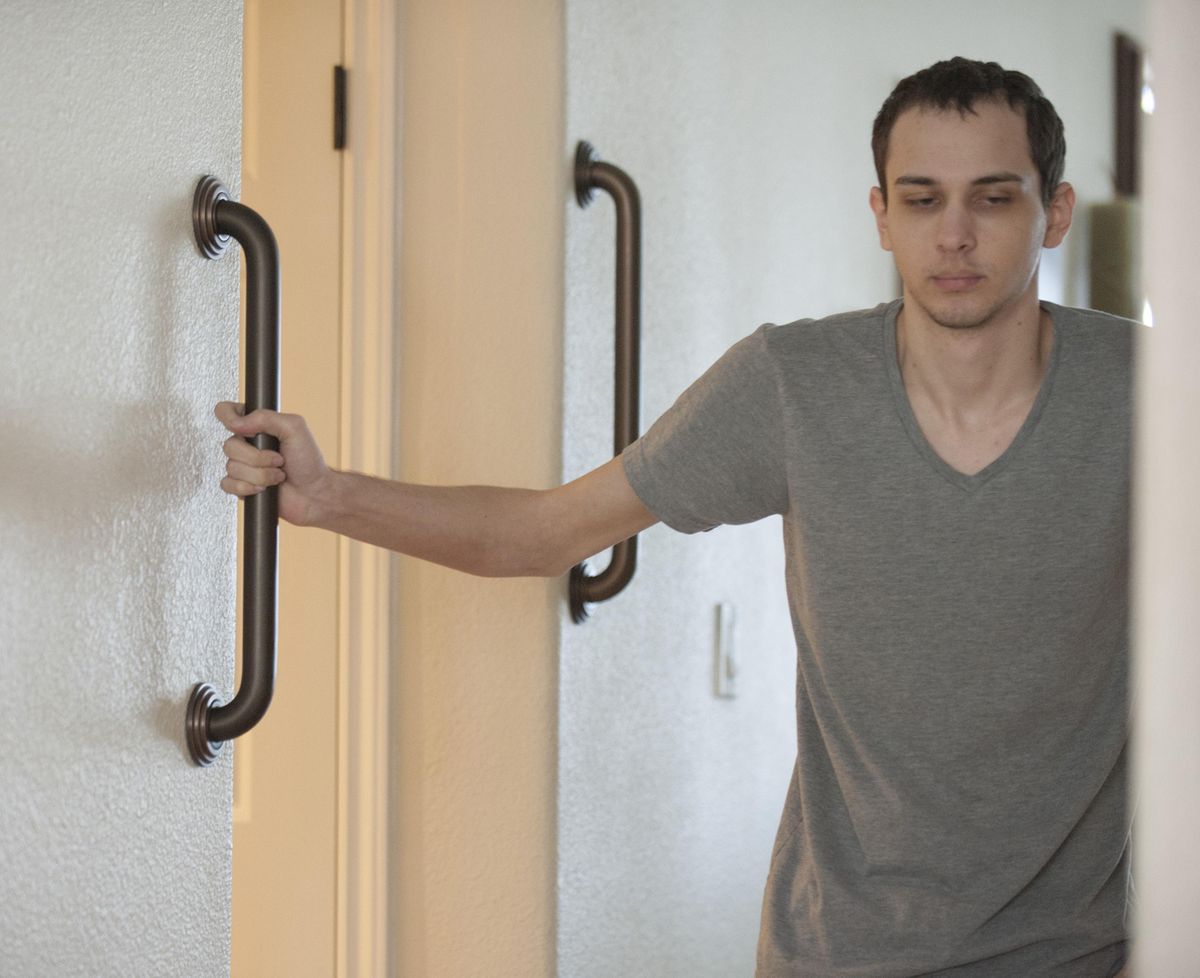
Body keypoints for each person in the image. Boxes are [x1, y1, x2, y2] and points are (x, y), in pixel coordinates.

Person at [216, 57, 1134, 978]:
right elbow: (544, 533)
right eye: (924, 199)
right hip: (840, 954)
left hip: (1078, 956)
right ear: (883, 216)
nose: (957, 236)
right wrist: (330, 496)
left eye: (994, 199)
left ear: (1052, 212)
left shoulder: (1151, 393)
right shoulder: (792, 384)